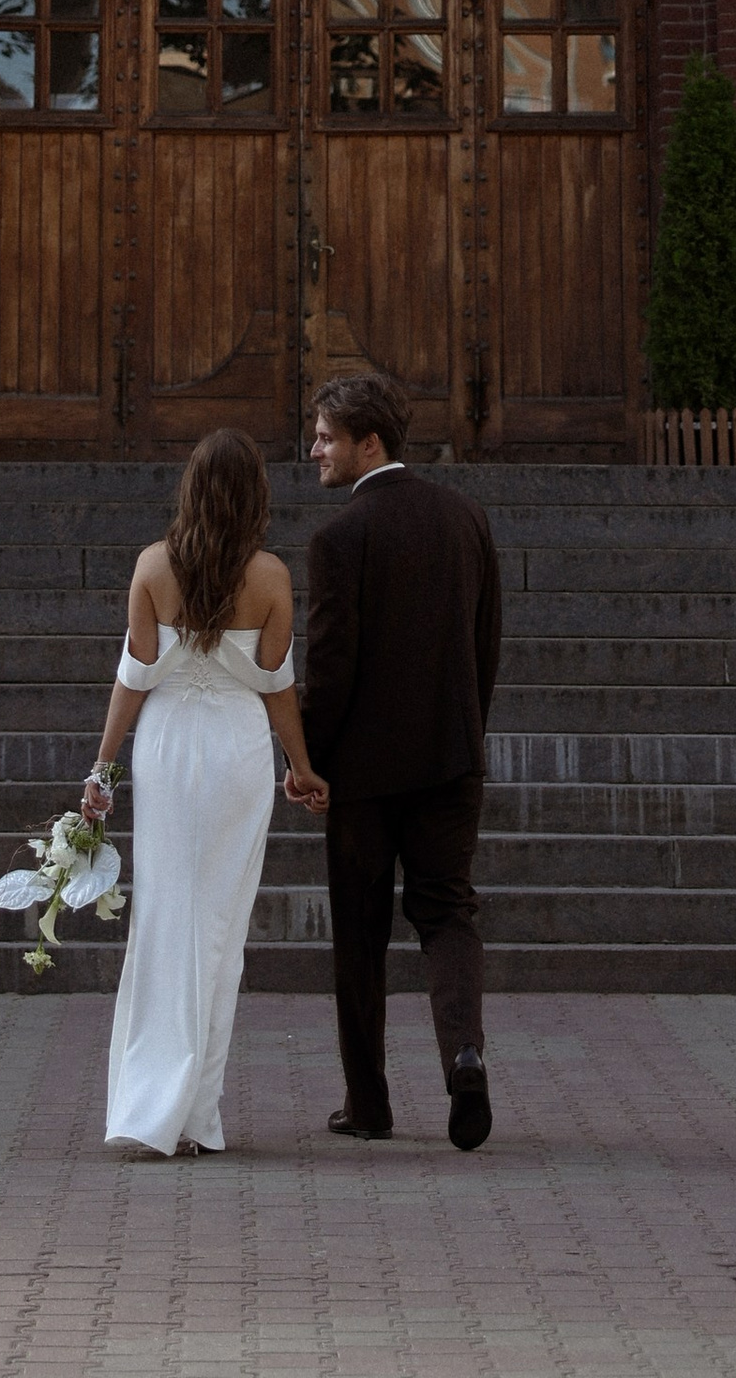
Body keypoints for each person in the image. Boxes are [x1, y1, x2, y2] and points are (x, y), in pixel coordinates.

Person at [80, 425, 329, 1158]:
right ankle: (192, 1116)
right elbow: (278, 687)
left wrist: (103, 768)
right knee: (219, 930)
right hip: (234, 754)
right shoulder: (273, 579)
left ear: (190, 489)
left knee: (164, 917)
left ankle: (156, 1106)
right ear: (256, 497)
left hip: (166, 748)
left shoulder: (153, 567)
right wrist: (302, 766)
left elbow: (134, 677)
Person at [300, 370, 503, 1150]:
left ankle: (369, 1102)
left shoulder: (339, 538)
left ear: (368, 443)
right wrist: (466, 733)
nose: (314, 449)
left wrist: (309, 760)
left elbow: (333, 668)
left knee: (359, 932)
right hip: (451, 759)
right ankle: (464, 1055)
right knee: (448, 914)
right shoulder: (465, 517)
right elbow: (486, 642)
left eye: (326, 437)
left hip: (361, 775)